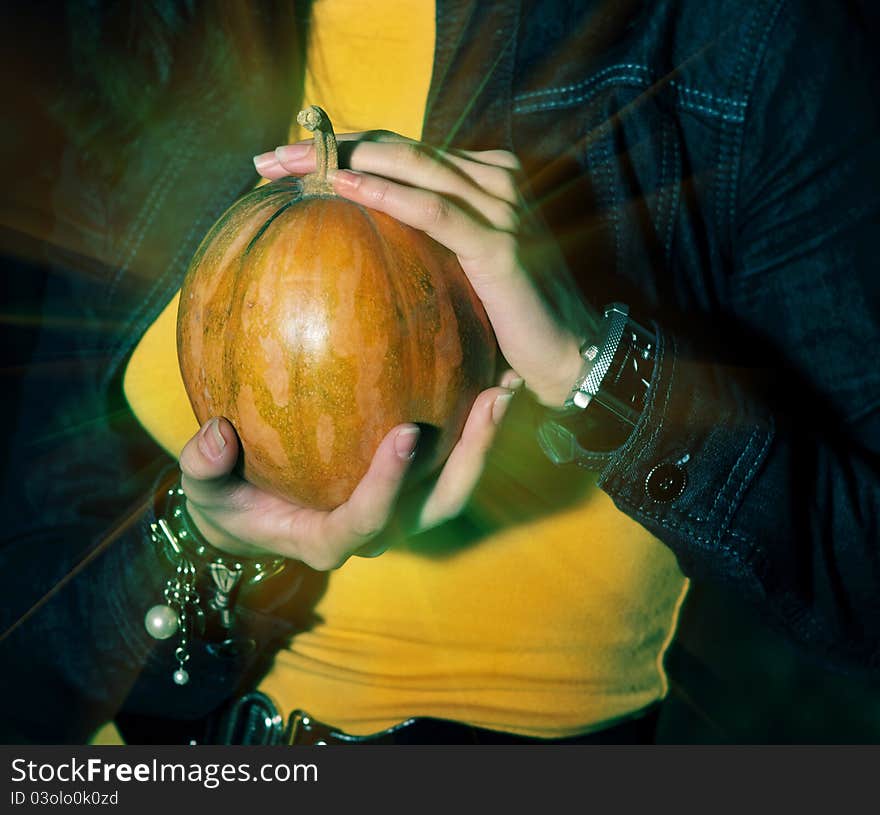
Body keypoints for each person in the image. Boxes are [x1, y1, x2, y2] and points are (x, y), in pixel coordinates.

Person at [1, 0, 879, 744]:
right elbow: (31, 649)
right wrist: (209, 542)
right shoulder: (148, 38)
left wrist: (598, 369)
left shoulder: (740, 41)